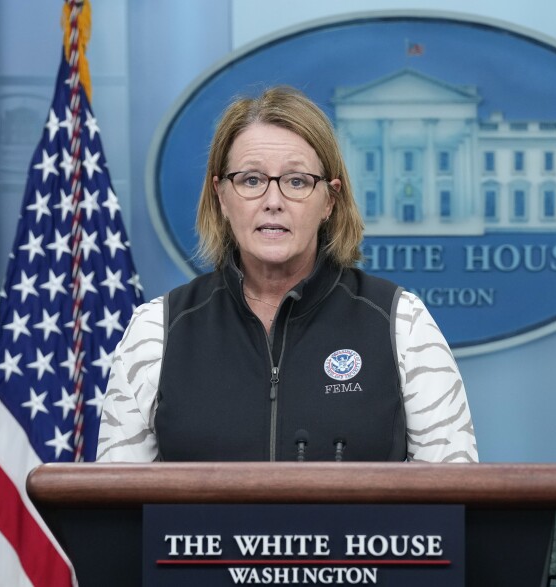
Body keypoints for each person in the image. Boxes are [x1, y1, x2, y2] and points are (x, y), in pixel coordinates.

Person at [96, 86, 477, 463]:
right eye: (251, 180)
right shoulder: (157, 330)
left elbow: (455, 502)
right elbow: (115, 512)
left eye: (296, 182)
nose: (273, 202)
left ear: (329, 200)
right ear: (221, 197)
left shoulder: (402, 324)